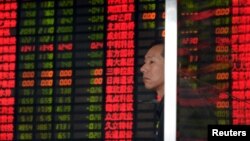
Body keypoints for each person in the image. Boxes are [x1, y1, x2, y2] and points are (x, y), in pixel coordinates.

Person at [140, 42, 164, 141]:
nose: (142, 68)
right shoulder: (168, 106)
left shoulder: (183, 104)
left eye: (151, 62)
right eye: (145, 62)